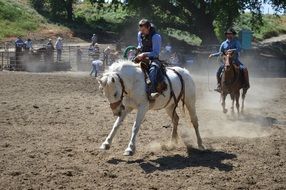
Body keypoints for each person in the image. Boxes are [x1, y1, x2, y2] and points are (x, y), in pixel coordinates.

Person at [135, 19, 163, 100]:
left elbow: (156, 53)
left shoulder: (156, 37)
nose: (141, 31)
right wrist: (138, 48)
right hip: (141, 57)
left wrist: (144, 54)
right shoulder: (140, 34)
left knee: (153, 69)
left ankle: (152, 91)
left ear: (149, 27)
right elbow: (140, 44)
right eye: (140, 30)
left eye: (143, 30)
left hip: (153, 58)